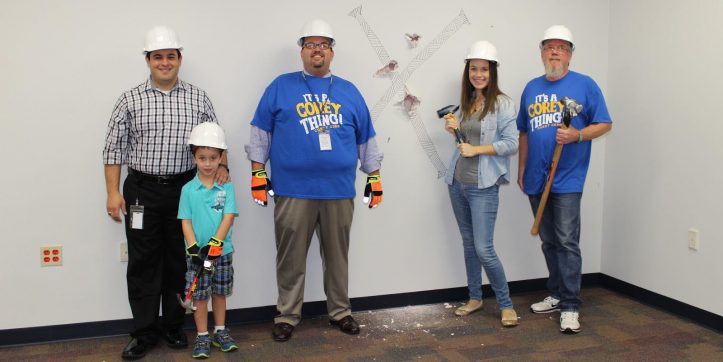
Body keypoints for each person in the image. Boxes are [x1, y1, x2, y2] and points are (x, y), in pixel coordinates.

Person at [245, 19, 384, 342]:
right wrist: (256, 174)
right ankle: (288, 315)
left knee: (337, 256)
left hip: (338, 191)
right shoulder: (280, 86)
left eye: (323, 45)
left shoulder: (349, 91)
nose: (317, 50)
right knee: (290, 258)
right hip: (293, 190)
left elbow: (367, 138)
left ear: (332, 52)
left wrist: (373, 178)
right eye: (310, 44)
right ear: (302, 51)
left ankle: (340, 311)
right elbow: (260, 133)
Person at [103, 26, 230, 360]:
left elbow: (217, 142)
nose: (164, 62)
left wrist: (223, 169)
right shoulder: (129, 99)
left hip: (185, 191)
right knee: (143, 263)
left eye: (170, 56)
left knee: (181, 261)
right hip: (141, 191)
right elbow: (113, 150)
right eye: (157, 57)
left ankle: (174, 327)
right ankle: (144, 333)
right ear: (148, 60)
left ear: (179, 59)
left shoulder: (199, 98)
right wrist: (113, 193)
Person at [516, 25, 612, 334]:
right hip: (535, 178)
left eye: (561, 47)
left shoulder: (585, 85)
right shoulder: (531, 88)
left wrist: (578, 134)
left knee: (568, 241)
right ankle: (556, 293)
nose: (555, 51)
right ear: (541, 53)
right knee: (549, 242)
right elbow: (524, 133)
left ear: (569, 54)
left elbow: (605, 123)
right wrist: (521, 171)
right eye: (549, 47)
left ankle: (571, 305)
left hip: (568, 178)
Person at [442, 41, 519, 328]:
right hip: (457, 182)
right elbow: (465, 144)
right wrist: (455, 130)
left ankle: (506, 304)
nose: (478, 74)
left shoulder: (503, 103)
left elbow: (512, 143)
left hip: (483, 186)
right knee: (468, 244)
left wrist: (478, 150)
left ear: (493, 71)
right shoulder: (468, 101)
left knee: (484, 248)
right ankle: (475, 297)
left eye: (484, 69)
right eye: (473, 69)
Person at [178, 122, 239, 359]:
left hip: (221, 253)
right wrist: (194, 247)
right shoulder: (187, 190)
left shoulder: (226, 187)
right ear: (194, 157)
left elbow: (229, 216)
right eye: (202, 157)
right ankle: (202, 335)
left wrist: (216, 243)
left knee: (220, 293)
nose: (207, 163)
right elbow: (185, 221)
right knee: (200, 296)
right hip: (197, 256)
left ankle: (220, 332)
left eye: (213, 158)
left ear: (221, 157)